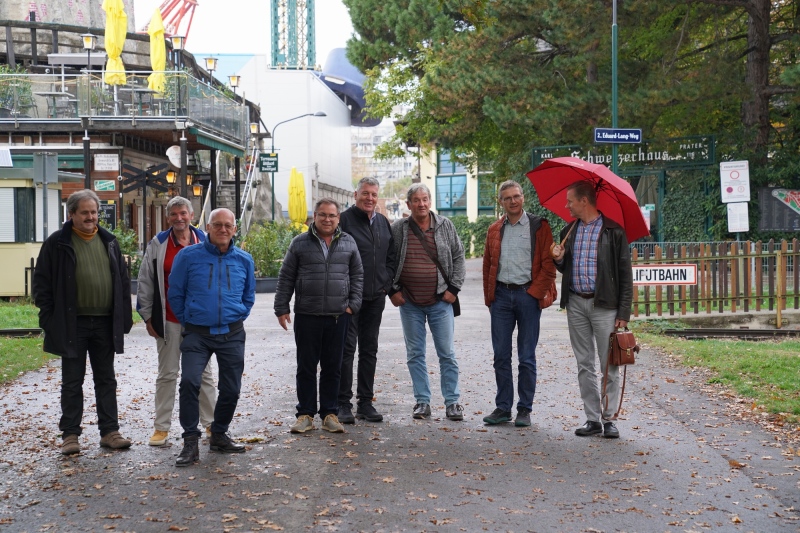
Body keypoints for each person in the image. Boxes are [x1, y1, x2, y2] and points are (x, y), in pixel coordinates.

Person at [33, 189, 133, 455]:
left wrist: (124, 318)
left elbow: (122, 281)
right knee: (72, 381)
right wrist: (49, 319)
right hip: (71, 323)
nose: (91, 217)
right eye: (85, 212)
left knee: (106, 379)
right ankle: (70, 435)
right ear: (72, 214)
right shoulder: (57, 243)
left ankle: (110, 432)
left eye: (94, 212)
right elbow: (42, 284)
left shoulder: (109, 241)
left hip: (104, 323)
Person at [168, 208, 255, 466]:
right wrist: (190, 318)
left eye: (228, 225)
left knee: (231, 388)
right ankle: (190, 441)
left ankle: (219, 434)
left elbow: (249, 296)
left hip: (232, 333)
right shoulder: (188, 257)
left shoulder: (244, 259)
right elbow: (176, 293)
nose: (223, 230)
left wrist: (237, 313)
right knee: (190, 382)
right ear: (208, 226)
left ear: (234, 229)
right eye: (217, 225)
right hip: (198, 333)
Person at [551, 180, 633, 439]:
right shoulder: (570, 230)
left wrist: (623, 313)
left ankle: (608, 419)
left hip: (605, 307)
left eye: (570, 201)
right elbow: (566, 269)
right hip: (576, 303)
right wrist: (559, 258)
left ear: (584, 201)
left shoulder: (614, 232)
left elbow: (625, 276)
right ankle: (592, 419)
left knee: (609, 363)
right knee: (584, 363)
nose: (567, 206)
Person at [275, 198, 364, 434]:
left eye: (332, 215)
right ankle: (305, 414)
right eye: (322, 215)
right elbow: (286, 277)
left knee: (333, 367)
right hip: (307, 315)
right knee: (306, 366)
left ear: (338, 218)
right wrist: (281, 307)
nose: (327, 219)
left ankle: (329, 414)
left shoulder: (348, 243)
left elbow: (358, 277)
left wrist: (352, 305)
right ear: (314, 216)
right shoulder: (299, 243)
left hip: (338, 316)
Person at [137, 196, 217, 447]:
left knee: (204, 374)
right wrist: (148, 315)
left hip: (199, 321)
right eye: (174, 214)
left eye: (183, 213)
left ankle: (212, 424)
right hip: (168, 318)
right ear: (168, 217)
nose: (179, 218)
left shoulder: (206, 240)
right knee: (167, 374)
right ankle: (161, 428)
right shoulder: (159, 243)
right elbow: (146, 280)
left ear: (191, 215)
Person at [482, 180, 557, 427]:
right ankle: (503, 407)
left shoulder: (539, 226)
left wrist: (535, 293)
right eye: (507, 198)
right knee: (501, 356)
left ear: (523, 198)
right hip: (501, 297)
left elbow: (548, 265)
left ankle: (524, 409)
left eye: (516, 196)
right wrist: (490, 298)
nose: (513, 201)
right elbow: (488, 266)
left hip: (528, 296)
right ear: (501, 202)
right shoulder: (494, 229)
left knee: (526, 357)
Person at [390, 183, 466, 421]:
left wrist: (453, 288)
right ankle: (422, 401)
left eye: (425, 199)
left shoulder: (445, 225)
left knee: (447, 354)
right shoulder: (399, 228)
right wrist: (392, 290)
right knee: (415, 354)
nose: (421, 204)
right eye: (416, 200)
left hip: (440, 301)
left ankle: (452, 402)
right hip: (409, 302)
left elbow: (459, 256)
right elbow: (388, 261)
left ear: (430, 202)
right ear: (408, 204)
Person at [337, 177, 396, 424]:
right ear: (355, 194)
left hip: (375, 296)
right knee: (346, 349)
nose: (369, 198)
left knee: (369, 349)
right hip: (350, 297)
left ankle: (365, 403)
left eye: (373, 194)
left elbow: (391, 255)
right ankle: (342, 404)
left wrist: (386, 282)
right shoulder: (343, 221)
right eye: (365, 194)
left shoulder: (383, 222)